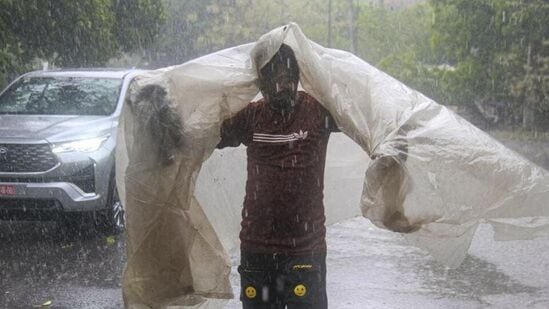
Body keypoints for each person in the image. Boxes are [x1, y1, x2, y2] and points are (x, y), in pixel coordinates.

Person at [217, 44, 338, 308]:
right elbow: (205, 134)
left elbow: (361, 119)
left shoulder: (317, 112)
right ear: (261, 83)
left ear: (297, 78)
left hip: (305, 251)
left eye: (287, 78)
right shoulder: (251, 116)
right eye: (274, 79)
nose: (282, 86)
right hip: (257, 252)